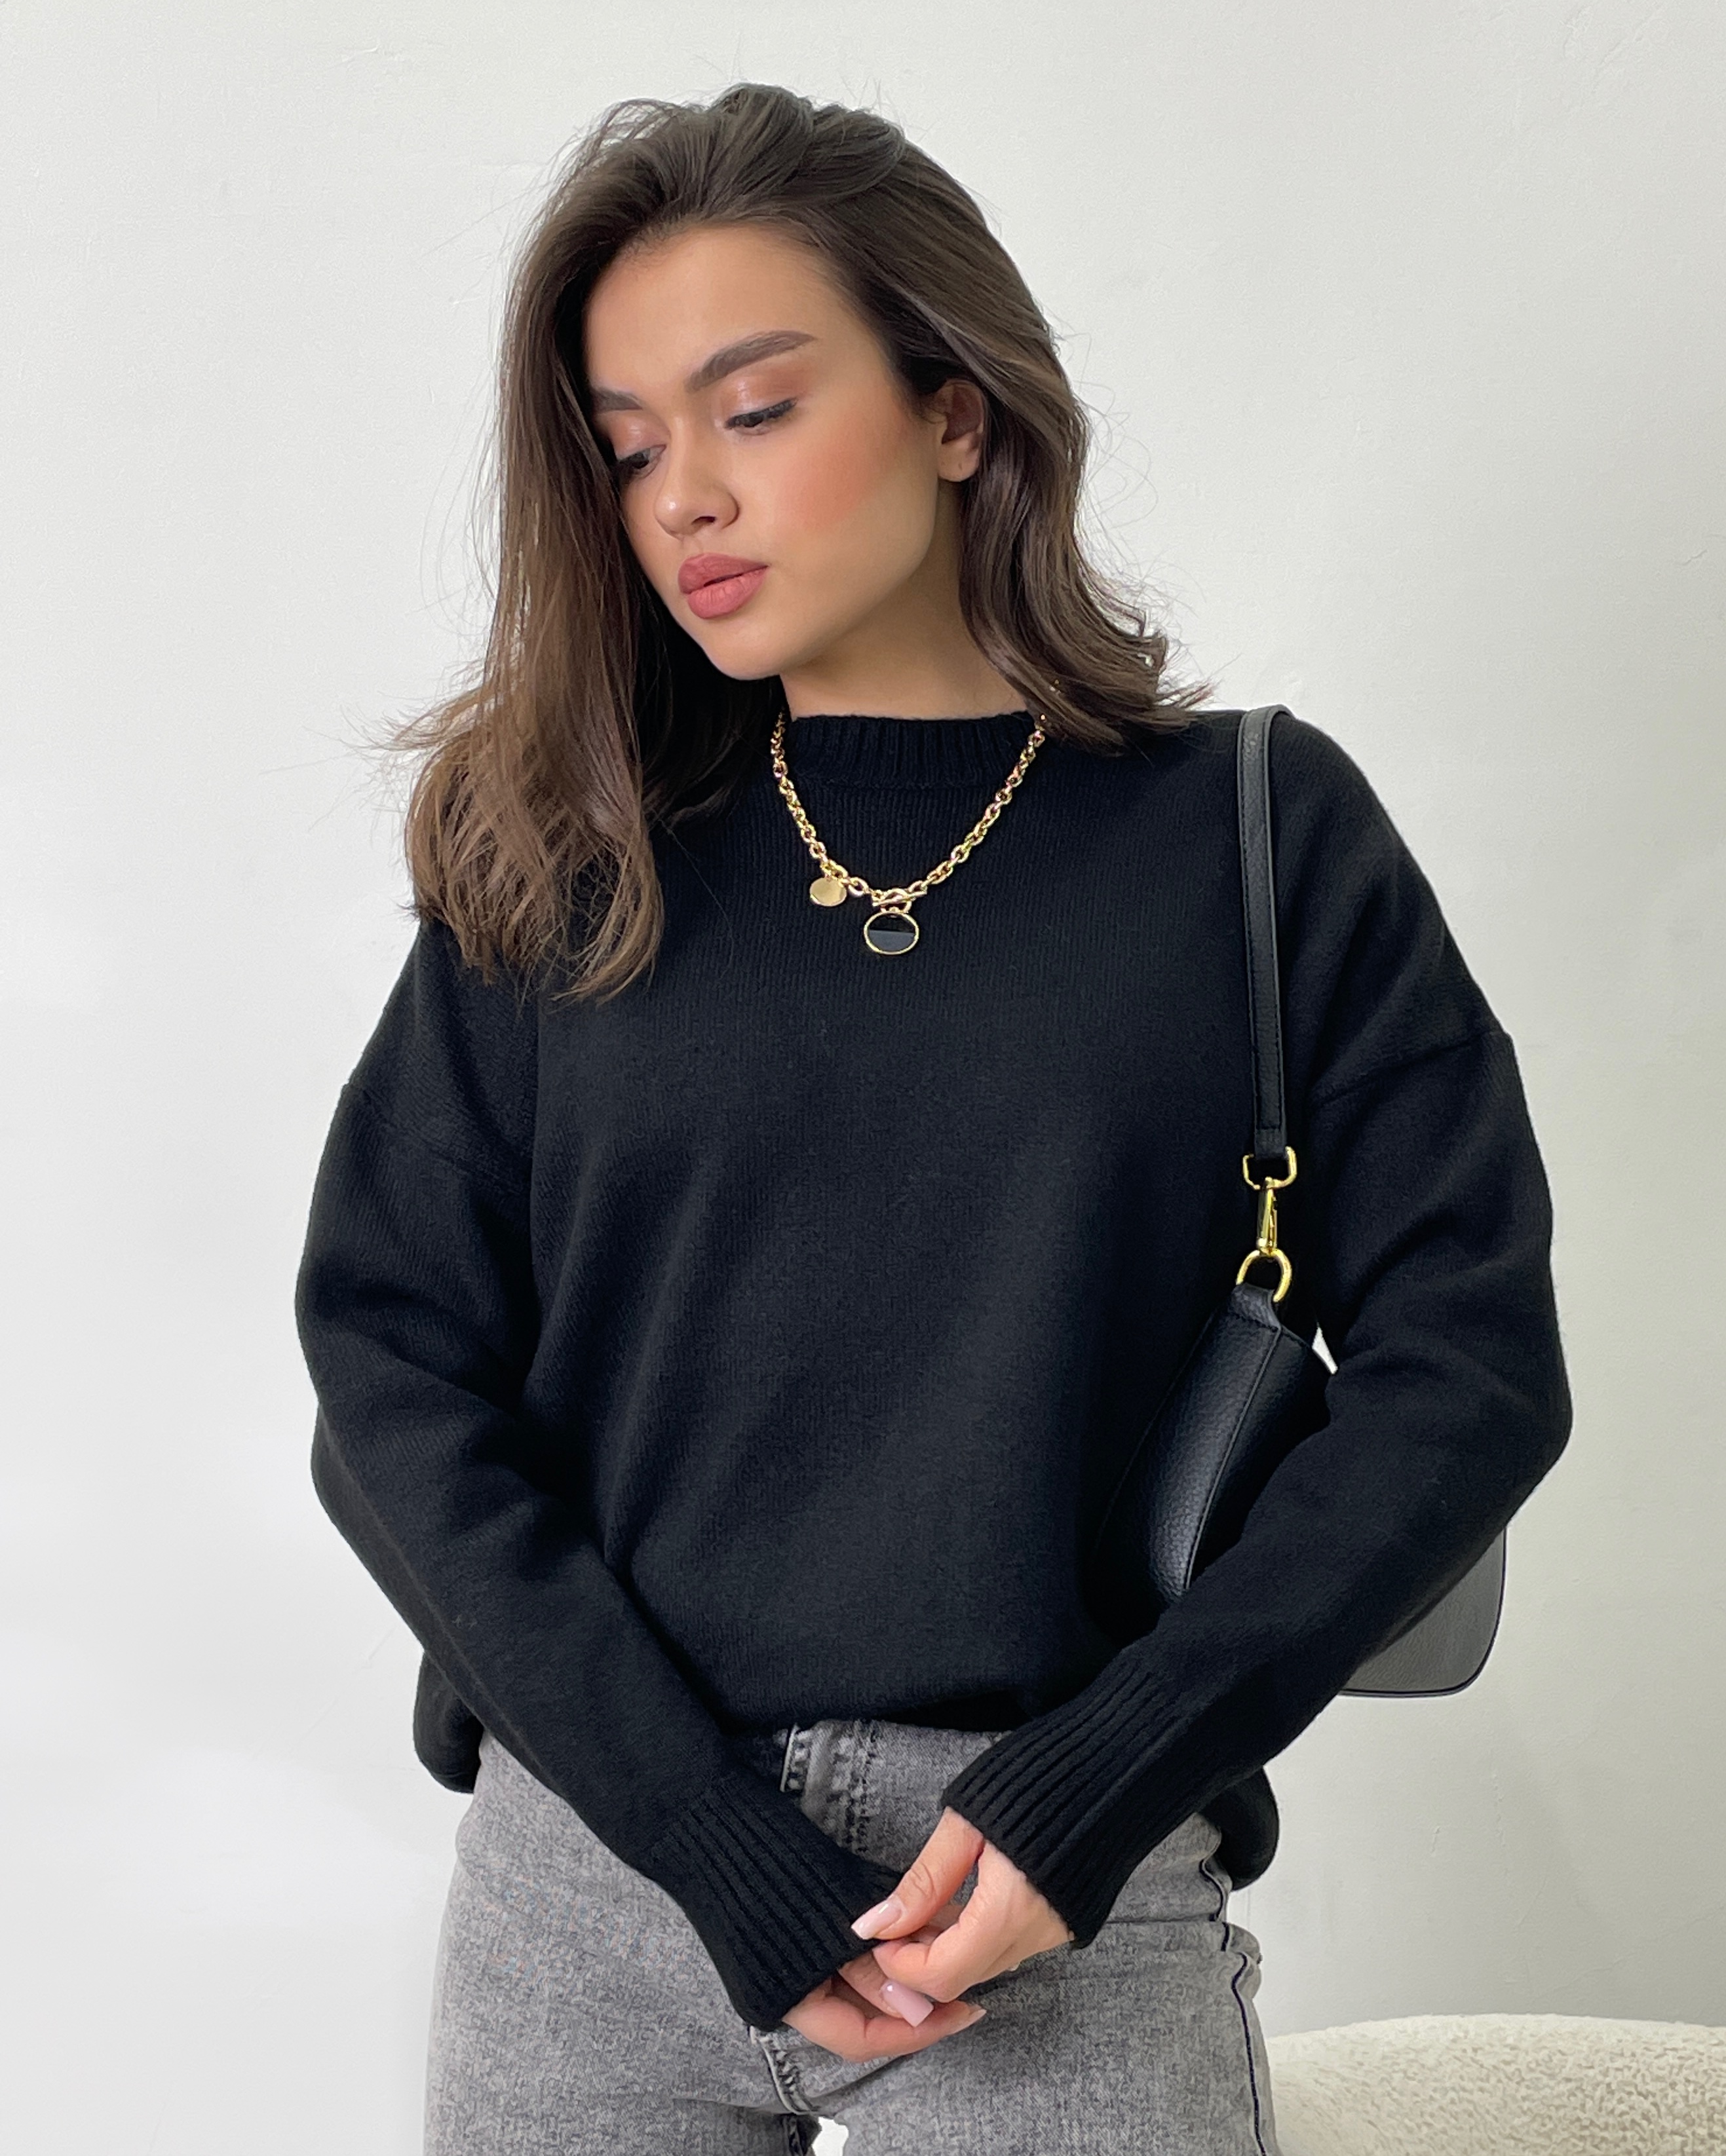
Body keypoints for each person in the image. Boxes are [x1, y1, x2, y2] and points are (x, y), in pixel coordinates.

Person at [293, 81, 1572, 2156]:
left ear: (956, 410)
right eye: (628, 448)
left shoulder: (1252, 835)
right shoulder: (572, 851)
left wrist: (1106, 1775)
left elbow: (1470, 1365)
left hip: (1047, 1891)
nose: (685, 497)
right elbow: (387, 1375)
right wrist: (696, 1829)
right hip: (598, 1883)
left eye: (753, 408)